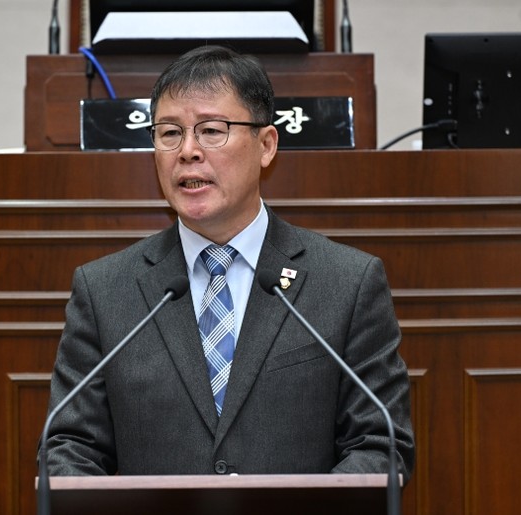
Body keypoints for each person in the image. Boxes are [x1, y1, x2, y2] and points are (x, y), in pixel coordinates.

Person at [41, 45, 415, 481]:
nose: (188, 151)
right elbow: (69, 448)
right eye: (169, 133)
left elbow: (380, 443)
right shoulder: (105, 290)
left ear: (266, 145)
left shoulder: (347, 282)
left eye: (211, 130)